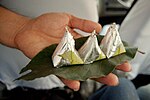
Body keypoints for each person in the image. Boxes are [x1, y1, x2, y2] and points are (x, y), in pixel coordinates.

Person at [0, 0, 136, 100]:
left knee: (123, 87)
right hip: (11, 73)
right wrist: (20, 28)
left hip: (71, 80)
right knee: (124, 88)